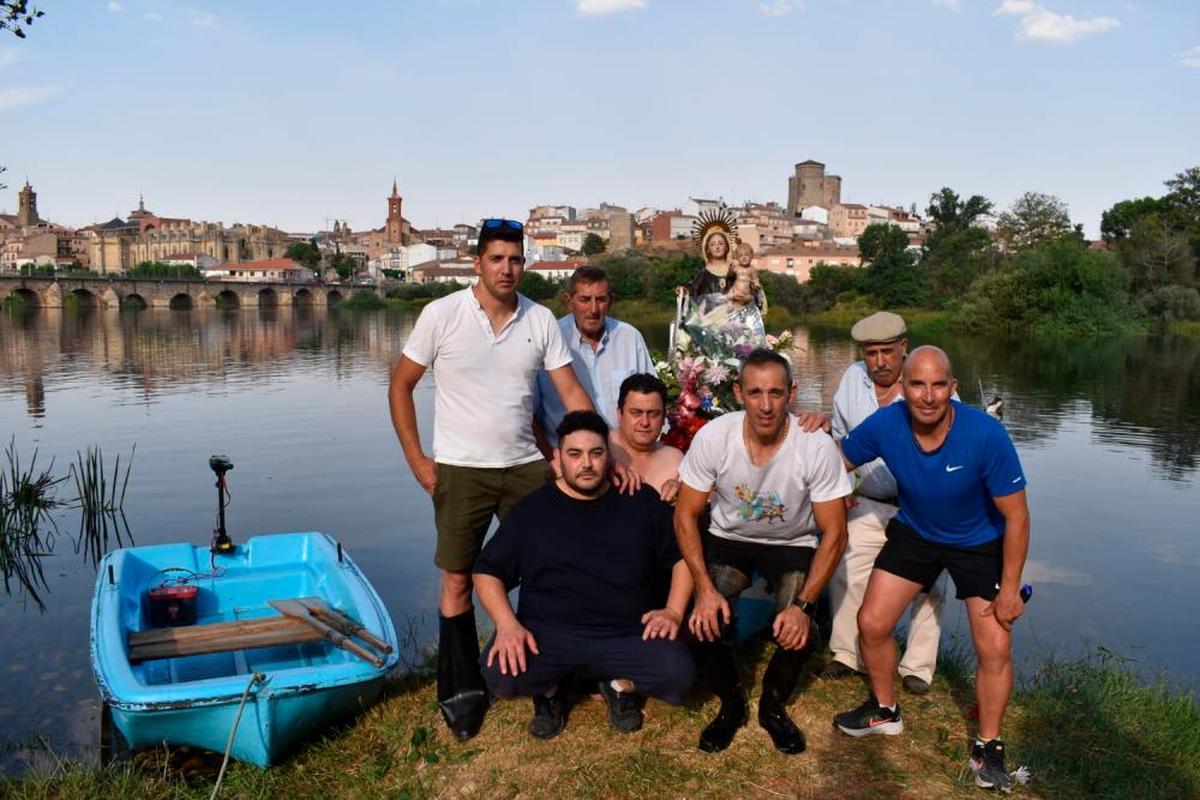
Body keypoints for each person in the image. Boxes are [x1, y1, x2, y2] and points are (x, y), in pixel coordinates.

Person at [387, 218, 596, 741]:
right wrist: (417, 460)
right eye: (497, 259)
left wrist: (600, 451)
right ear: (478, 262)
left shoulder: (540, 319)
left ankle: (545, 684)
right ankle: (461, 692)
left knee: (548, 574)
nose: (507, 268)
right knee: (458, 577)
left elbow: (571, 393)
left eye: (516, 259)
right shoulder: (442, 315)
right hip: (460, 467)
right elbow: (400, 385)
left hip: (526, 465)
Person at [833, 346, 1030, 794]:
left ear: (953, 388)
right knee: (872, 622)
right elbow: (835, 461)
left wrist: (1011, 587)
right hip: (917, 531)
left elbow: (1017, 517)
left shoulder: (985, 434)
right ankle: (886, 711)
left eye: (938, 385)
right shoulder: (887, 423)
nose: (927, 395)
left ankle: (989, 745)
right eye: (917, 384)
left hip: (979, 541)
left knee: (994, 645)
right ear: (902, 389)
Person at [474, 411, 696, 739]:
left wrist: (674, 611)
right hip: (550, 636)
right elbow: (487, 571)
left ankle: (619, 685)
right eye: (575, 454)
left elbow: (682, 559)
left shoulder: (640, 501)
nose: (587, 464)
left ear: (609, 455)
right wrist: (507, 626)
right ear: (558, 457)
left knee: (680, 677)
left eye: (596, 453)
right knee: (500, 676)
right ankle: (551, 691)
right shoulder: (532, 510)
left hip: (627, 634)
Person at [675, 349, 851, 755]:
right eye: (755, 393)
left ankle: (772, 708)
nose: (766, 405)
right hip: (729, 538)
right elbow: (686, 516)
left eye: (775, 392)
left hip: (792, 543)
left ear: (792, 393)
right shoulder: (715, 436)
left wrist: (804, 607)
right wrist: (703, 589)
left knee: (796, 627)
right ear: (738, 393)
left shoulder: (815, 446)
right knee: (703, 619)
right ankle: (731, 704)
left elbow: (835, 534)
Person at [823, 312, 946, 696]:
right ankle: (847, 653)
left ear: (904, 348)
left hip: (921, 506)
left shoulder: (930, 382)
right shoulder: (850, 381)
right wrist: (839, 488)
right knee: (847, 563)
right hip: (869, 498)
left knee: (929, 586)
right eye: (871, 353)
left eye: (888, 352)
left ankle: (918, 667)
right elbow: (841, 441)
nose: (879, 361)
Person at [536, 265, 653, 447]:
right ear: (569, 301)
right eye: (584, 300)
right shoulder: (550, 338)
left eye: (600, 300)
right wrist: (551, 460)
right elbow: (531, 413)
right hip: (566, 457)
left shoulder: (630, 338)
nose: (593, 309)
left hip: (625, 456)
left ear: (611, 301)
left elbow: (652, 400)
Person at [609, 373, 684, 502]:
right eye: (635, 413)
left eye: (653, 414)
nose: (644, 422)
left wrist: (683, 493)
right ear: (619, 414)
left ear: (664, 417)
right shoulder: (600, 449)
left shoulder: (675, 461)